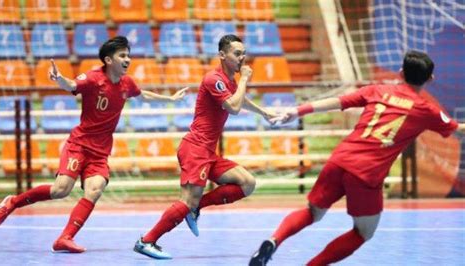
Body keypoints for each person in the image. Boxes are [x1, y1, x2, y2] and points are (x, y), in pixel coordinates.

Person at [249, 50, 465, 265]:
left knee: (312, 212)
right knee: (363, 232)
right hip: (366, 173)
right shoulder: (427, 110)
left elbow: (338, 101)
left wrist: (296, 111)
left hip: (339, 159)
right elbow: (458, 128)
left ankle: (274, 240)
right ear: (430, 78)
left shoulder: (377, 90)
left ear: (400, 73)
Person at [0, 36, 188, 253]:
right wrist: (59, 79)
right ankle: (12, 202)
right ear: (108, 59)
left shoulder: (127, 83)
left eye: (128, 55)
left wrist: (169, 99)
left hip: (100, 152)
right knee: (60, 190)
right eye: (122, 55)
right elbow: (72, 84)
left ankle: (65, 238)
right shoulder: (94, 78)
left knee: (94, 190)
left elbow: (143, 96)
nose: (128, 59)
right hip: (79, 145)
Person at [133, 34, 278, 259]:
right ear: (222, 55)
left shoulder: (228, 81)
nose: (242, 58)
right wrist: (245, 80)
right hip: (195, 149)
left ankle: (197, 206)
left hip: (208, 152)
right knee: (186, 201)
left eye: (243, 53)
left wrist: (264, 111)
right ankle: (147, 241)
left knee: (247, 183)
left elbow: (241, 101)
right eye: (237, 53)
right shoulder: (214, 79)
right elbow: (233, 107)